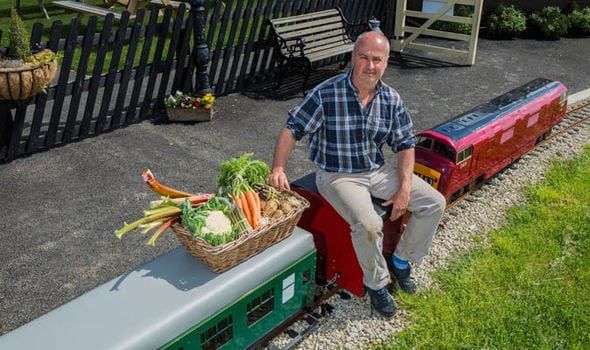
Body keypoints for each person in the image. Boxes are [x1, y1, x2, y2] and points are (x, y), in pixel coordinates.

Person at [268, 31, 446, 318]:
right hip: (337, 175)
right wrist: (278, 168)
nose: (370, 65)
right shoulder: (327, 93)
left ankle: (401, 261)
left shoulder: (391, 99)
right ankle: (377, 284)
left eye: (377, 59)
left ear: (386, 63)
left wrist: (403, 188)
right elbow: (292, 129)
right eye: (363, 57)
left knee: (434, 203)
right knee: (369, 224)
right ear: (353, 58)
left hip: (376, 170)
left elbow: (405, 145)